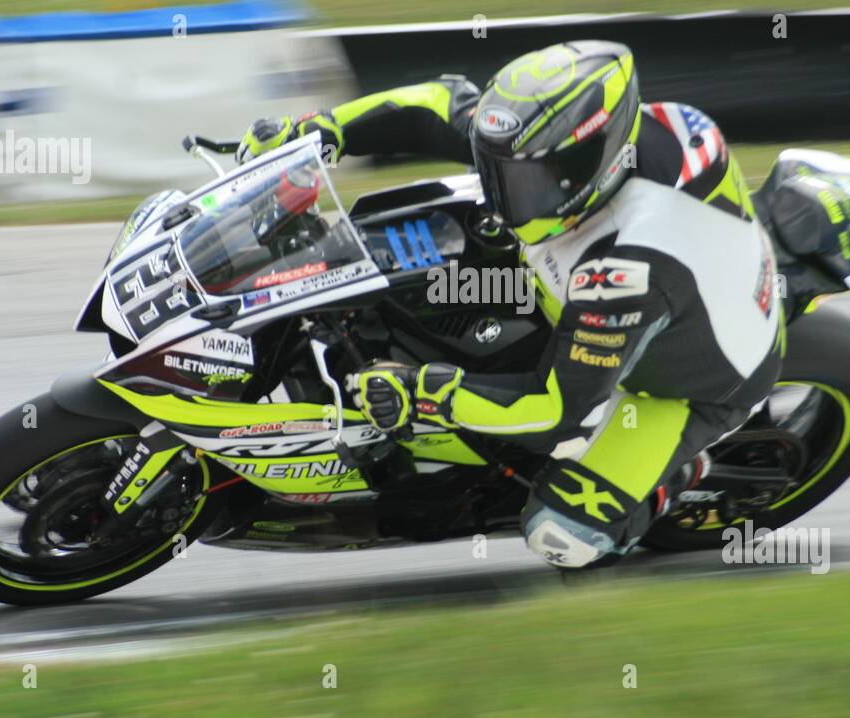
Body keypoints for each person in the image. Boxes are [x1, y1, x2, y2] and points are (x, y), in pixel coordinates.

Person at [236, 40, 782, 568]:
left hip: (689, 387)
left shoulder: (627, 272)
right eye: (499, 170)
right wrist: (323, 129)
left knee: (559, 533)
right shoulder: (585, 143)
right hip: (638, 289)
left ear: (599, 158)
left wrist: (426, 393)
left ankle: (671, 481)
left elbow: (551, 409)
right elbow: (438, 101)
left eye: (533, 180)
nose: (508, 192)